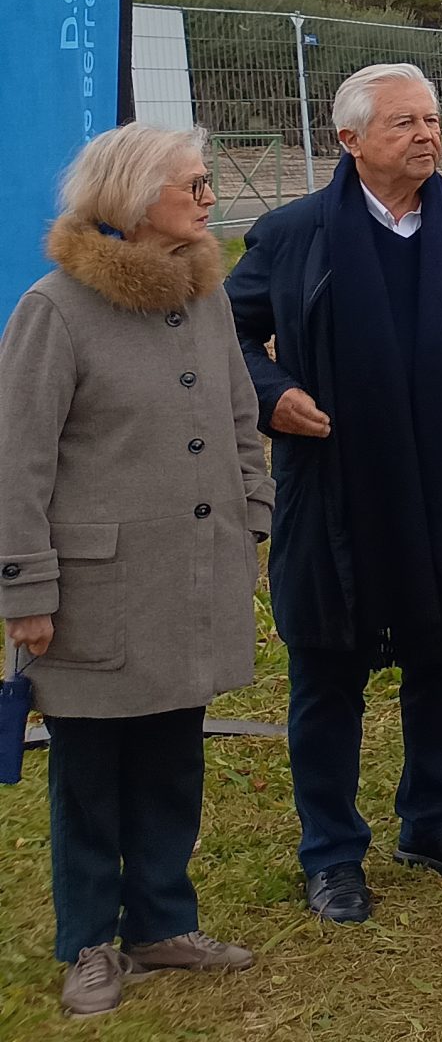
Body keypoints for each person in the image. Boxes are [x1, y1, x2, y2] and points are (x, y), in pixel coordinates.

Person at [226, 63, 442, 924]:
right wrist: (272, 396)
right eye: (404, 123)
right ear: (350, 140)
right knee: (326, 673)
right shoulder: (294, 235)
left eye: (434, 120)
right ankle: (331, 854)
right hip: (338, 491)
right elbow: (228, 335)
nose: (427, 136)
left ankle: (432, 823)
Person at [0, 126, 269, 1017]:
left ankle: (161, 921)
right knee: (88, 775)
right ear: (131, 198)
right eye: (191, 185)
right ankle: (88, 942)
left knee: (169, 758)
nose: (206, 199)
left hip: (191, 578)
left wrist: (253, 519)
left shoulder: (204, 295)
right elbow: (18, 462)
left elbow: (239, 416)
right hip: (95, 593)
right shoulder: (55, 309)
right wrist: (27, 590)